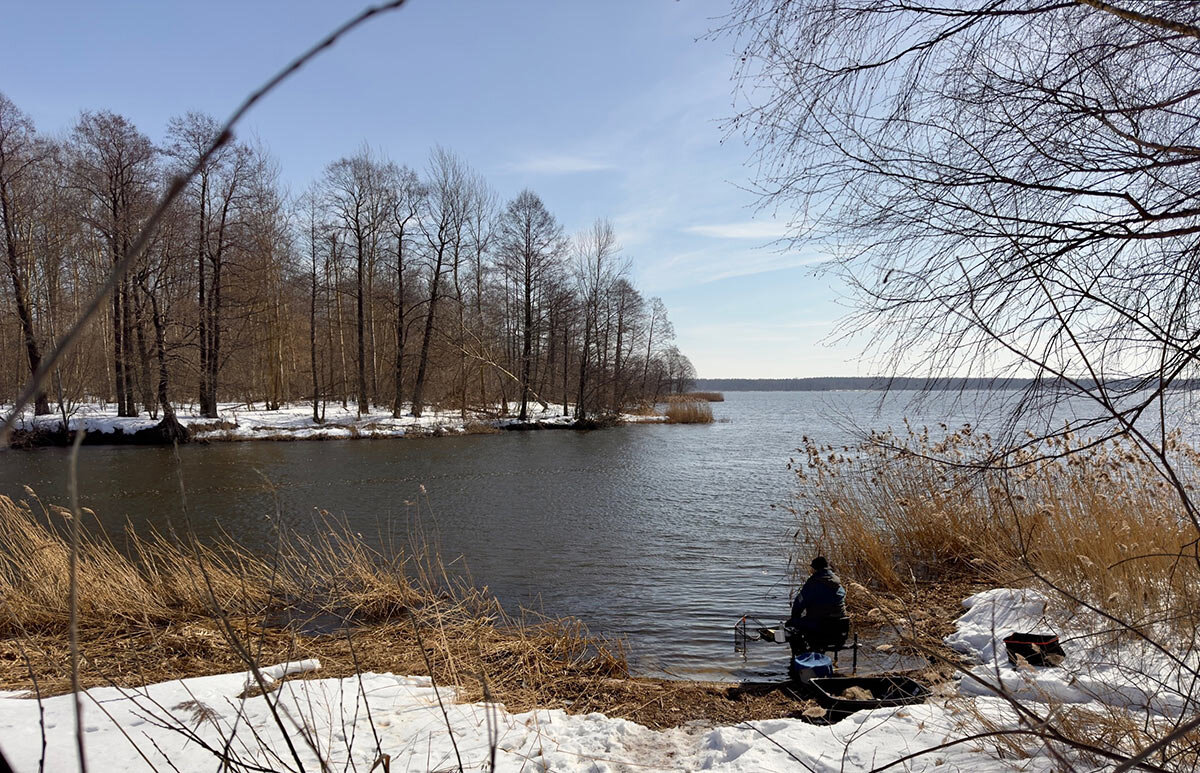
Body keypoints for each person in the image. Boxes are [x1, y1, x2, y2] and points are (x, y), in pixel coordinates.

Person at [787, 556, 847, 655]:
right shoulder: (838, 584)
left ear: (815, 569)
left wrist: (794, 617)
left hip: (819, 626)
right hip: (840, 627)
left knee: (790, 624)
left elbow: (799, 603)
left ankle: (800, 656)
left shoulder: (813, 583)